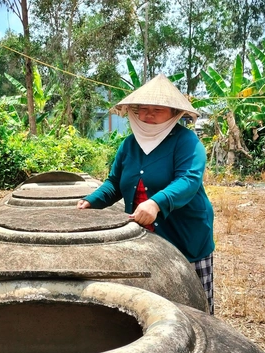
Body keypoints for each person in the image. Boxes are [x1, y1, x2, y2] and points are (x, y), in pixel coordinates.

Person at [77, 74, 216, 314]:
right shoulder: (129, 144)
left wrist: (156, 203)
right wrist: (91, 202)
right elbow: (115, 183)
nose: (148, 115)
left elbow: (189, 180)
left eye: (157, 110)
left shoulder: (186, 141)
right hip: (143, 237)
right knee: (151, 299)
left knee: (193, 305)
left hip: (185, 234)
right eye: (142, 109)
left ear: (174, 114)